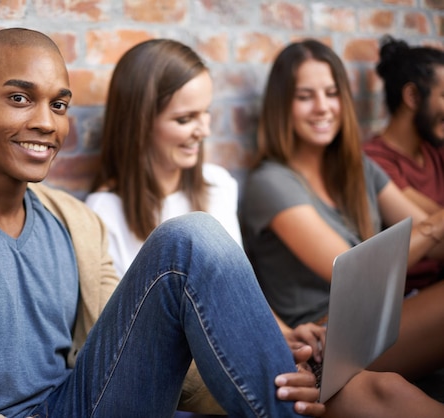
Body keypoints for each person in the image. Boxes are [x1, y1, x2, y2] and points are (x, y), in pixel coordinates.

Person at [0, 28, 327, 418]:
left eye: (58, 105)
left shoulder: (76, 223)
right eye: (18, 98)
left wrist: (266, 379)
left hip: (78, 403)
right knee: (190, 239)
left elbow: (132, 347)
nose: (46, 123)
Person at [87, 38, 444, 418]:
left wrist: (283, 333)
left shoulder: (218, 185)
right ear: (139, 123)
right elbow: (132, 338)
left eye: (206, 113)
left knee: (384, 389)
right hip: (193, 367)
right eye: (184, 119)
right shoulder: (103, 212)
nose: (203, 130)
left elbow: (235, 292)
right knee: (368, 391)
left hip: (257, 343)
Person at [240, 39, 444, 383]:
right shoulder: (270, 183)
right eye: (305, 97)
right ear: (282, 107)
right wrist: (432, 226)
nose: (322, 107)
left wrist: (432, 228)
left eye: (332, 93)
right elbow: (357, 276)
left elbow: (434, 239)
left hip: (383, 317)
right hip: (327, 341)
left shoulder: (359, 168)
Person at [363, 35, 444, 293]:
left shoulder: (435, 148)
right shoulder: (374, 161)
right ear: (412, 96)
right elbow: (433, 230)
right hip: (409, 297)